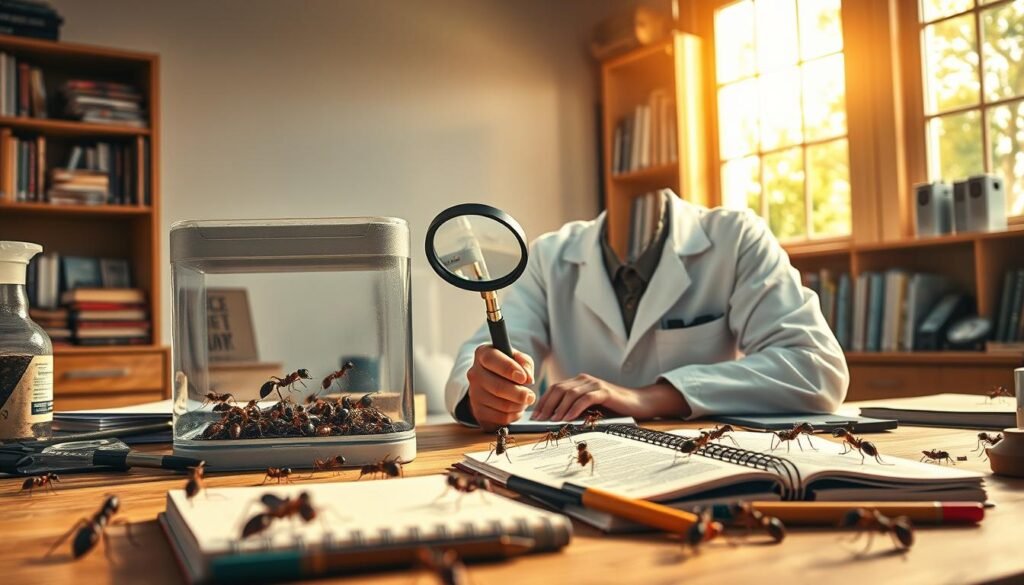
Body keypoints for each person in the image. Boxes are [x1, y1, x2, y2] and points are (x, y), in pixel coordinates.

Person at [444, 191, 849, 430]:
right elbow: (476, 359)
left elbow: (817, 368)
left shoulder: (736, 237)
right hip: (576, 467)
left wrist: (652, 397)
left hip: (700, 463)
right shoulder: (551, 256)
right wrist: (484, 395)